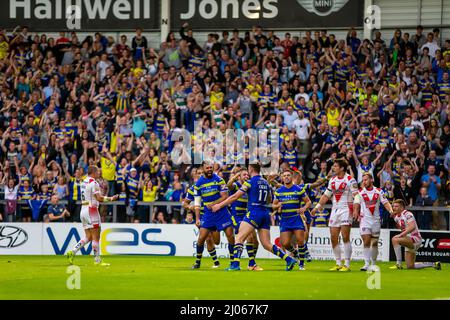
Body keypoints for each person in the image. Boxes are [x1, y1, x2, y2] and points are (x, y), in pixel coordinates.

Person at [212, 163, 297, 271]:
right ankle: (289, 260)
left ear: (250, 169)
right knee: (267, 244)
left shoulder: (250, 182)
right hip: (265, 213)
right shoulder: (266, 183)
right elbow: (269, 199)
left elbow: (235, 196)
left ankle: (235, 265)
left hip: (254, 212)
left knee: (239, 237)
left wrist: (219, 205)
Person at [311, 158, 359, 271]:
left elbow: (357, 195)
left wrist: (356, 209)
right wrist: (317, 207)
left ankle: (347, 264)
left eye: (336, 166)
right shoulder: (332, 180)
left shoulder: (350, 180)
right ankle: (338, 263)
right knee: (333, 237)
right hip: (335, 210)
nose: (333, 168)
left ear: (342, 168)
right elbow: (326, 195)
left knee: (345, 236)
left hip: (346, 209)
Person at [66, 166, 118, 266]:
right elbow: (99, 198)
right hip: (92, 210)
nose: (99, 173)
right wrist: (111, 198)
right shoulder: (94, 183)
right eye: (98, 171)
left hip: (83, 210)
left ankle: (72, 252)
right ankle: (97, 260)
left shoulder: (83, 181)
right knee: (96, 236)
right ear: (93, 172)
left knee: (88, 236)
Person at [191, 162, 235, 269]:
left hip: (222, 212)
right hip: (208, 213)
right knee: (201, 238)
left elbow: (225, 196)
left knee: (230, 235)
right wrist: (197, 218)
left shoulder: (219, 180)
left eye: (211, 167)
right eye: (207, 168)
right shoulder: (198, 184)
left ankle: (233, 261)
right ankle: (197, 262)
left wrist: (215, 204)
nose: (210, 169)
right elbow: (197, 203)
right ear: (203, 169)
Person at [353, 173, 393, 271]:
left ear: (371, 180)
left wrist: (391, 210)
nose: (364, 182)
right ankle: (366, 264)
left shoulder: (379, 191)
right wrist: (355, 212)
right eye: (363, 180)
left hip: (375, 220)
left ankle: (374, 263)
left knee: (374, 243)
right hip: (364, 220)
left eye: (366, 180)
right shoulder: (360, 192)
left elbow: (386, 203)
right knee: (366, 241)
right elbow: (356, 203)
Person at [273, 169, 311, 270]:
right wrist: (277, 205)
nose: (286, 177)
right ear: (282, 178)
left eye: (288, 175)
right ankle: (295, 253)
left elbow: (308, 202)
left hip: (296, 219)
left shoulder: (298, 189)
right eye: (284, 175)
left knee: (300, 241)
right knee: (285, 243)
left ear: (292, 177)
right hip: (285, 220)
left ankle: (302, 264)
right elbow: (273, 205)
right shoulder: (279, 191)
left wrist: (303, 208)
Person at [182, 168, 221, 268]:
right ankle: (201, 262)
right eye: (198, 173)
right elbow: (184, 203)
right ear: (195, 176)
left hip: (215, 215)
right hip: (203, 216)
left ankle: (215, 261)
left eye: (201, 173)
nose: (200, 175)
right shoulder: (192, 189)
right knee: (205, 238)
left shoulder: (212, 185)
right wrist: (190, 207)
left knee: (216, 241)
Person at [390, 199, 441, 270]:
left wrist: (401, 235)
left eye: (396, 206)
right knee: (410, 266)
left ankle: (398, 264)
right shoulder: (396, 217)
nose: (394, 208)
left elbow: (412, 227)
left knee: (395, 239)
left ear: (401, 208)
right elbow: (390, 210)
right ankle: (433, 264)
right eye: (393, 206)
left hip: (415, 238)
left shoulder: (407, 214)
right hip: (409, 240)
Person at [227, 168, 262, 271]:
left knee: (254, 241)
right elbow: (229, 184)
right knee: (248, 237)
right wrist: (235, 176)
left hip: (246, 215)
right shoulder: (236, 186)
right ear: (239, 176)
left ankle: (246, 262)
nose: (246, 177)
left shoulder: (249, 187)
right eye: (244, 175)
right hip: (236, 216)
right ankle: (249, 263)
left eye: (247, 175)